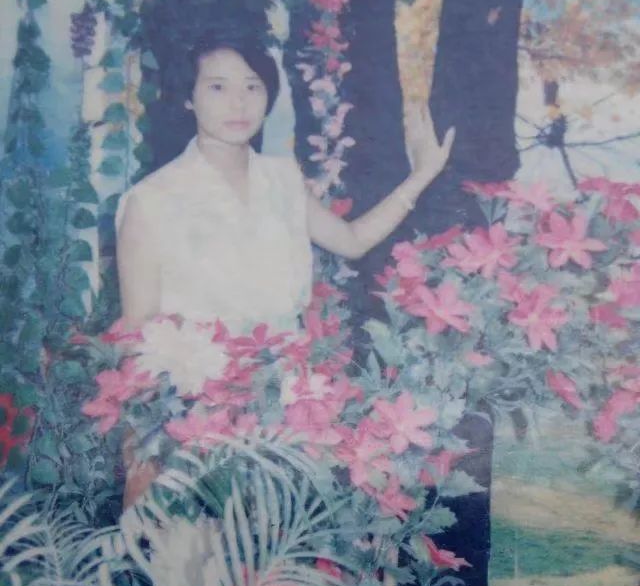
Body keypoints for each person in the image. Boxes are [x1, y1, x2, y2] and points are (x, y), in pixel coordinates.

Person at [116, 30, 454, 503]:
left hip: (291, 414)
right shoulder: (150, 201)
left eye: (252, 86)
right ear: (188, 97)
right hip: (194, 424)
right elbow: (137, 333)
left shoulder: (282, 180)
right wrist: (141, 453)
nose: (238, 103)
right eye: (217, 87)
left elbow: (352, 241)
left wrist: (422, 174)